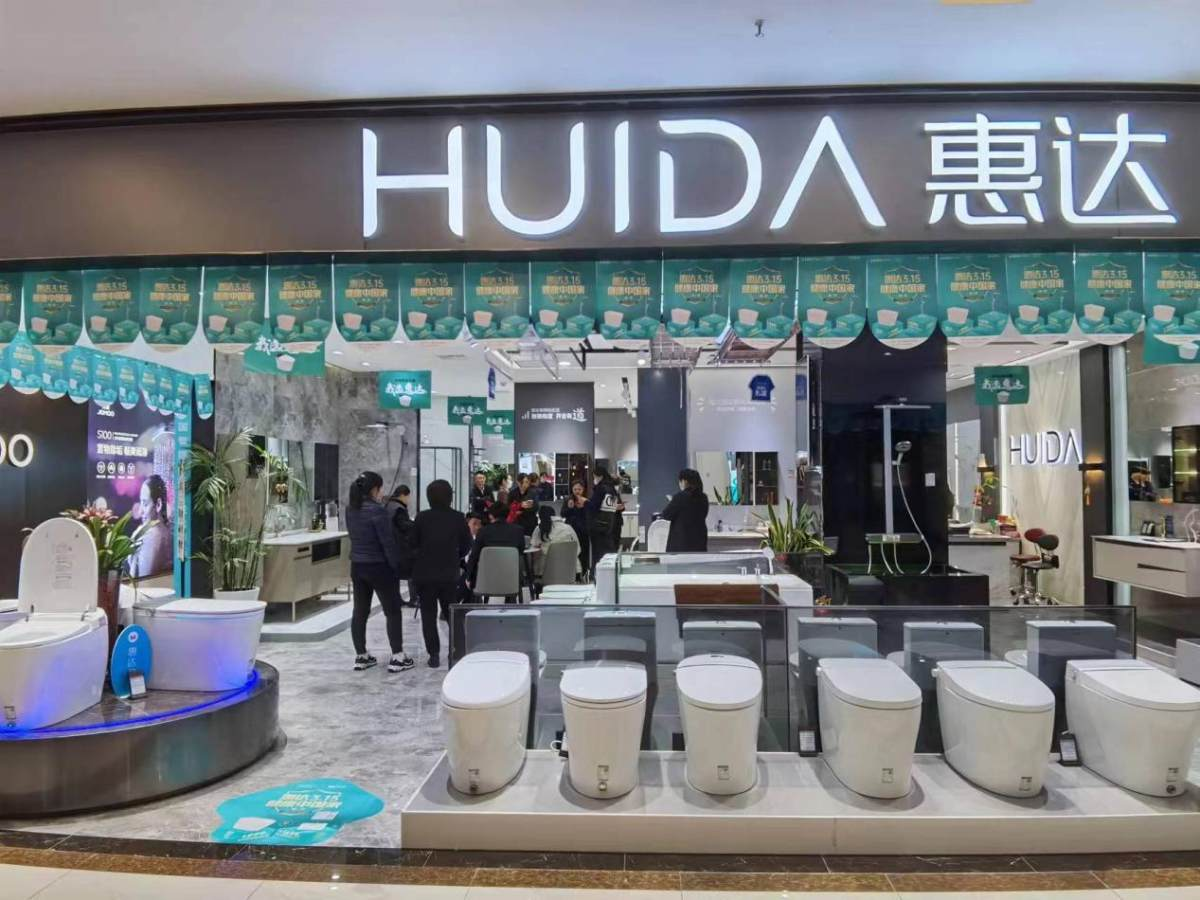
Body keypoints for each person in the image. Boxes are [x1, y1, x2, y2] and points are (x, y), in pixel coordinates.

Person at [345, 471, 413, 673]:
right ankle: (398, 656)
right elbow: (387, 543)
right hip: (379, 566)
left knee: (360, 611)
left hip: (358, 566)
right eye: (380, 488)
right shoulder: (377, 511)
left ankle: (361, 656)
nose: (382, 492)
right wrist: (396, 566)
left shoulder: (350, 509)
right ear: (374, 489)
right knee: (392, 611)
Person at [410, 479, 472, 668]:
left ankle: (434, 654)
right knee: (452, 613)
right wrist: (456, 557)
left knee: (428, 616)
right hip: (449, 574)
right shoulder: (458, 518)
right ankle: (458, 651)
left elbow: (412, 544)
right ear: (450, 497)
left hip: (425, 574)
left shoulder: (421, 518)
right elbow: (467, 544)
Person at [468, 502, 527, 600]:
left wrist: (469, 577)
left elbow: (474, 556)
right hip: (511, 579)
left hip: (487, 580)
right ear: (507, 514)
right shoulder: (518, 531)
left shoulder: (484, 531)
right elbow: (521, 551)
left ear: (491, 515)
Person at [131, 474, 172, 578]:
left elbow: (144, 581)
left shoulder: (153, 536)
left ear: (158, 505)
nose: (140, 511)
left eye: (145, 504)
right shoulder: (164, 530)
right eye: (141, 503)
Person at [660, 467, 709, 552]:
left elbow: (666, 515)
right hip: (699, 543)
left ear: (684, 481)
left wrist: (672, 502)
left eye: (680, 481)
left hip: (682, 544)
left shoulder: (680, 497)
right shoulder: (704, 498)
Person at [530, 504, 581, 584]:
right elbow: (577, 549)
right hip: (572, 571)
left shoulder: (539, 529)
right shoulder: (568, 528)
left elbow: (534, 550)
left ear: (540, 517)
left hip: (546, 573)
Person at [385, 484, 416, 607]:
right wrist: (415, 525)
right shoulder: (399, 509)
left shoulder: (388, 505)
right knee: (412, 572)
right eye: (408, 496)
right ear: (403, 495)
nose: (409, 500)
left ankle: (396, 599)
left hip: (390, 544)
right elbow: (404, 526)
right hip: (400, 545)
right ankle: (414, 599)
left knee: (394, 575)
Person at [586, 465, 621, 567]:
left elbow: (594, 507)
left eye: (594, 477)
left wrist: (585, 502)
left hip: (597, 526)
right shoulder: (612, 489)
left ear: (600, 476)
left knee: (598, 556)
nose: (594, 479)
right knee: (608, 554)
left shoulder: (601, 489)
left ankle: (597, 574)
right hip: (609, 525)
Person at [562, 480, 590, 576]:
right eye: (575, 489)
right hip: (571, 530)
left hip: (583, 530)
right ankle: (572, 574)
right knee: (572, 551)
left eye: (579, 489)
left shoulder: (586, 500)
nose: (577, 491)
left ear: (583, 489)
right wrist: (570, 507)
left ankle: (584, 572)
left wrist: (583, 506)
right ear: (572, 489)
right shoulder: (568, 500)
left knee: (583, 551)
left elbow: (590, 515)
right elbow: (563, 514)